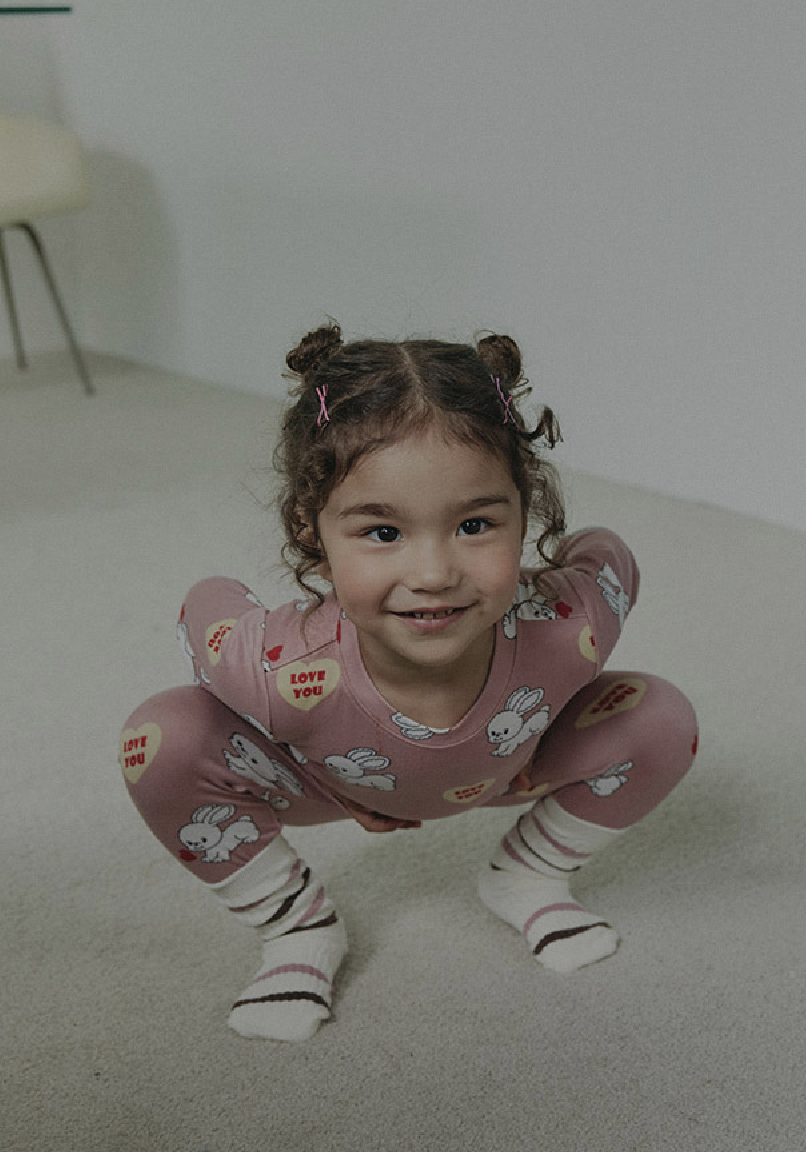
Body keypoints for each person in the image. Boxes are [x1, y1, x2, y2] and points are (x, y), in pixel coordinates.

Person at [120, 325, 698, 1040]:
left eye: (476, 525)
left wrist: (544, 597)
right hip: (322, 780)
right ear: (312, 534)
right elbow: (205, 602)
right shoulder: (274, 668)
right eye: (383, 533)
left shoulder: (570, 622)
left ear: (525, 514)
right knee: (163, 736)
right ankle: (296, 927)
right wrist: (318, 767)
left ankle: (528, 874)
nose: (433, 574)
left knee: (660, 717)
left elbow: (606, 554)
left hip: (509, 766)